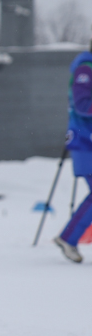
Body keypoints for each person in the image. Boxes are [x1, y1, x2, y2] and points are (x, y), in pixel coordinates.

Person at [54, 39, 92, 262]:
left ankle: (68, 238)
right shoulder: (85, 68)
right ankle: (68, 238)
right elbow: (82, 104)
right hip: (84, 140)